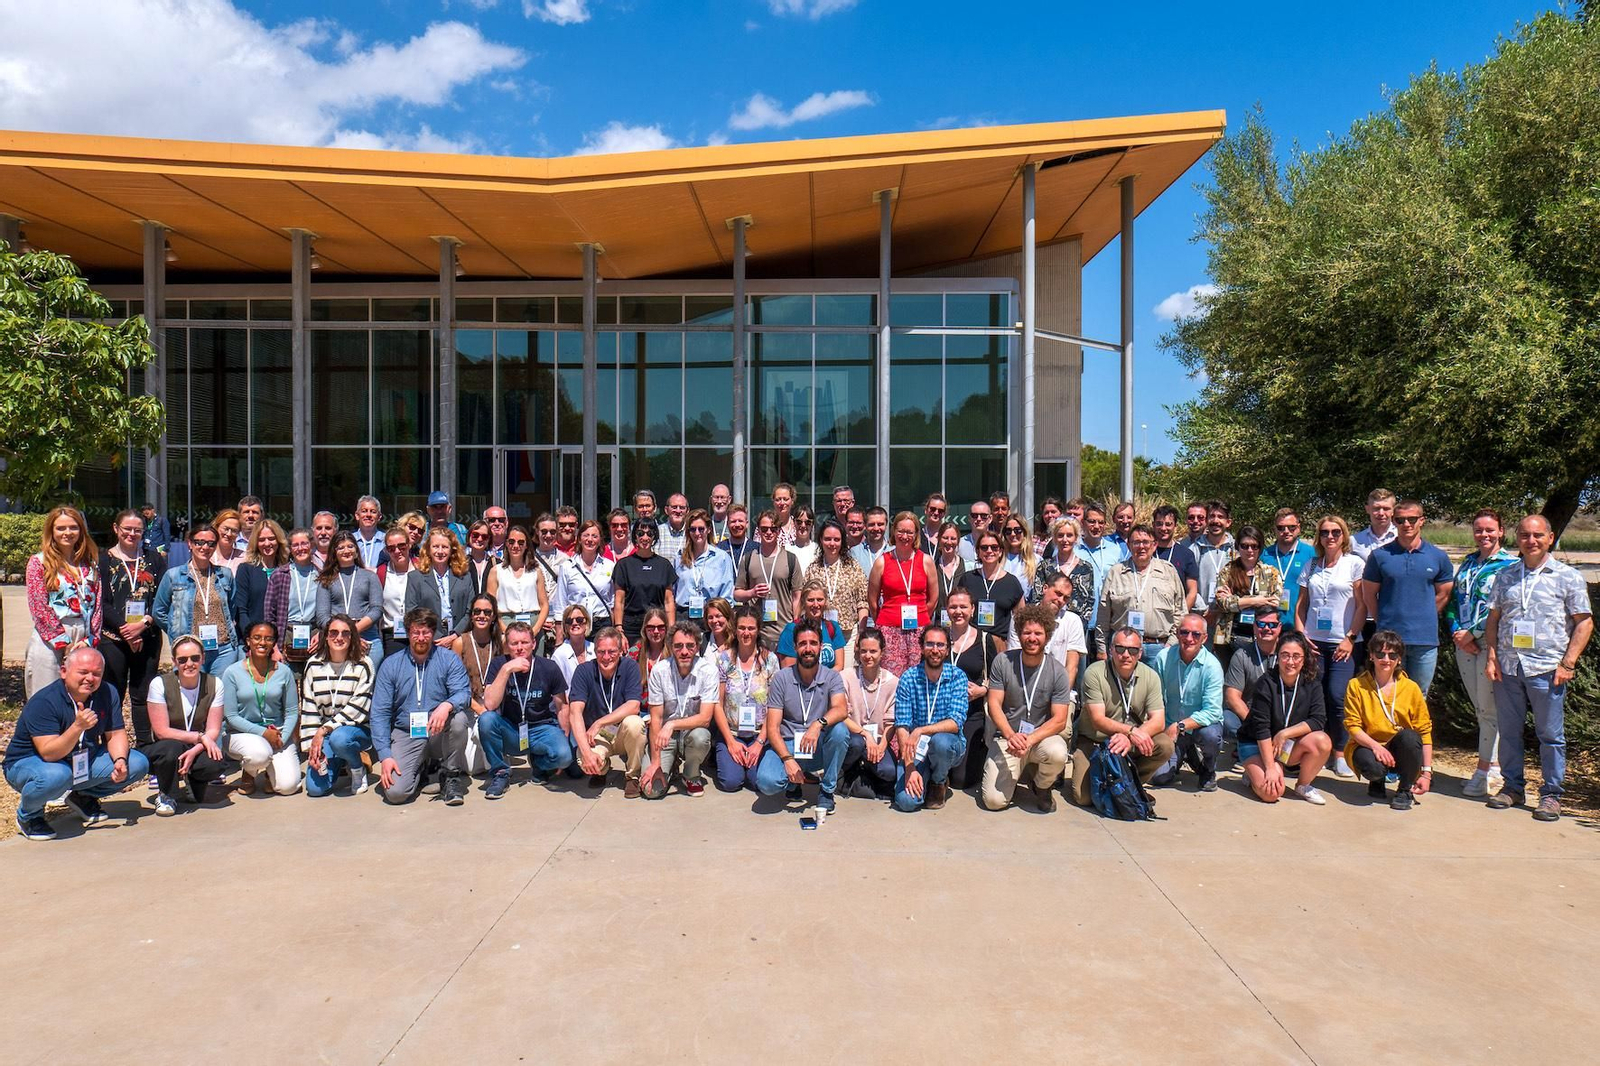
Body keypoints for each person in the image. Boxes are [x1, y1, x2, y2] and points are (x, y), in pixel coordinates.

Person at [1484, 515, 1594, 822]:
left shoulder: (1567, 577)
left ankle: (1551, 795)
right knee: (1509, 732)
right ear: (1516, 538)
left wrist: (1568, 663)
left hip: (1548, 668)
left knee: (1550, 735)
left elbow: (1584, 622)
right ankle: (1513, 787)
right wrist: (1492, 656)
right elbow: (1493, 620)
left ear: (1550, 538)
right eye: (1524, 535)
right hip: (1508, 667)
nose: (1530, 541)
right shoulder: (1505, 575)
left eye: (1537, 535)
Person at [5, 646, 149, 840]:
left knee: (137, 763)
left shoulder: (107, 692)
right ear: (64, 672)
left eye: (96, 674)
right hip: (31, 763)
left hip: (77, 759)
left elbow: (115, 733)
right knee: (58, 775)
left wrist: (120, 760)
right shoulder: (45, 701)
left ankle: (83, 796)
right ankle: (29, 816)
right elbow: (49, 753)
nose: (90, 678)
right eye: (83, 672)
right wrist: (77, 727)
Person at [1445, 509, 1518, 797]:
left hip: (1489, 644)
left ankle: (1485, 770)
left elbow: (1502, 608)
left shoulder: (1510, 565)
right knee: (1481, 709)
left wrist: (1471, 634)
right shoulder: (1468, 563)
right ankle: (1491, 768)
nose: (1484, 535)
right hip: (1463, 643)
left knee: (1489, 710)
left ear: (1501, 531)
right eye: (1479, 530)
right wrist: (1456, 632)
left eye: (1490, 530)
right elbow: (1454, 601)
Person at [370, 607, 472, 806]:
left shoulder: (448, 658)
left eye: (426, 632)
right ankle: (421, 768)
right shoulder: (391, 665)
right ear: (408, 633)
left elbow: (464, 693)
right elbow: (379, 713)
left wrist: (446, 705)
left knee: (459, 719)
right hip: (406, 732)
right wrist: (384, 755)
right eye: (416, 632)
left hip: (437, 730)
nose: (421, 637)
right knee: (396, 793)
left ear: (433, 633)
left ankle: (449, 775)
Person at [980, 604, 1072, 812]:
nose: (1032, 638)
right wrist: (1011, 735)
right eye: (1027, 632)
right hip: (1008, 738)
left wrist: (1030, 740)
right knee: (994, 802)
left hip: (1040, 738)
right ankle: (1021, 771)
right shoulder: (1003, 661)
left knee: (1058, 752)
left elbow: (1059, 719)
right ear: (1019, 634)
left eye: (1038, 633)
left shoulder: (1058, 671)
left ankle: (1041, 785)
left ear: (1047, 636)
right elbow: (994, 704)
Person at [1295, 514, 1367, 778]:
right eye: (1325, 532)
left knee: (1338, 696)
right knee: (1315, 697)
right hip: (1313, 643)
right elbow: (1301, 605)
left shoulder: (1354, 564)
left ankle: (1340, 751)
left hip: (1342, 643)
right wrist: (1302, 637)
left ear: (1344, 535)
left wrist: (1350, 637)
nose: (1330, 537)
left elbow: (1362, 605)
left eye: (1336, 532)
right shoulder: (1312, 565)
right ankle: (1318, 748)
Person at [1069, 627, 1174, 808]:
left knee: (1165, 745)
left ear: (1140, 653)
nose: (1126, 655)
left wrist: (1129, 737)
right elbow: (1098, 720)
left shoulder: (1151, 676)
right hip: (1095, 740)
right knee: (1083, 798)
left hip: (1129, 741)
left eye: (1132, 650)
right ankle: (1115, 785)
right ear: (1111, 650)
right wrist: (1130, 732)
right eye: (1120, 649)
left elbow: (1158, 720)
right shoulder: (1094, 673)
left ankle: (1131, 784)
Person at [754, 620, 850, 812]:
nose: (808, 648)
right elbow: (772, 728)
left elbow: (841, 709)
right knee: (766, 783)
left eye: (813, 643)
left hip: (817, 744)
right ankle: (792, 782)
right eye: (803, 644)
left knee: (840, 731)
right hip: (789, 743)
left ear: (821, 647)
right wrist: (787, 759)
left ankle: (827, 790)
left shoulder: (832, 676)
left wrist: (817, 725)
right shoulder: (782, 678)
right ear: (795, 647)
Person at [1359, 499, 1453, 693]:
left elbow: (1444, 593)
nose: (1406, 524)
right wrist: (1384, 622)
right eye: (1400, 520)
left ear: (1422, 521)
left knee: (1418, 696)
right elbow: (1369, 596)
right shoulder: (1379, 556)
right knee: (1386, 693)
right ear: (1394, 521)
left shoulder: (1438, 557)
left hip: (1424, 641)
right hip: (1388, 641)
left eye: (1412, 519)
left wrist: (1423, 614)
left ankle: (1412, 726)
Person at [98, 509, 166, 757]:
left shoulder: (154, 559)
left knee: (143, 694)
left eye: (137, 529)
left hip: (147, 637)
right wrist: (126, 630)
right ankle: (112, 750)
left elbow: (162, 598)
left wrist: (144, 624)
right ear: (116, 528)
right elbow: (102, 602)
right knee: (113, 693)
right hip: (113, 639)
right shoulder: (103, 559)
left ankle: (147, 749)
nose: (132, 534)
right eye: (127, 528)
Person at [479, 621, 572, 798]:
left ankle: (539, 764)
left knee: (564, 757)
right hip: (511, 729)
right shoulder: (499, 664)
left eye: (524, 642)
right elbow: (490, 704)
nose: (520, 648)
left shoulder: (549, 667)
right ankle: (500, 773)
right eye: (514, 643)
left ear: (534, 644)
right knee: (486, 720)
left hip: (541, 728)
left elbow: (562, 705)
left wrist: (564, 736)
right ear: (507, 645)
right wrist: (506, 670)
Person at [1343, 629, 1432, 810]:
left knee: (1411, 738)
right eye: (1380, 653)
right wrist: (1376, 747)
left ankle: (1405, 789)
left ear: (1399, 659)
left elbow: (1424, 730)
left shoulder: (1411, 688)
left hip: (1399, 746)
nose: (1386, 659)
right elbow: (1353, 727)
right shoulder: (1356, 685)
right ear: (1371, 657)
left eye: (1392, 655)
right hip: (1369, 744)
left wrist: (1426, 773)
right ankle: (1378, 779)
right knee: (1371, 765)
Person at [1239, 632, 1331, 804]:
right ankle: (1253, 774)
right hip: (1256, 744)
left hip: (1284, 745)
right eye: (1285, 655)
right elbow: (1261, 729)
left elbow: (1318, 720)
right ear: (1277, 657)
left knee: (1322, 741)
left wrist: (1284, 734)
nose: (1290, 661)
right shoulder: (1265, 683)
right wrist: (1269, 767)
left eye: (1296, 656)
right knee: (1271, 793)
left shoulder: (1312, 683)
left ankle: (1303, 785)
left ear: (1304, 659)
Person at [142, 635, 227, 815]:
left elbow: (213, 729)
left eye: (195, 658)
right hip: (163, 747)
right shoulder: (159, 684)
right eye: (182, 660)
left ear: (203, 658)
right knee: (171, 748)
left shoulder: (215, 684)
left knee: (215, 763)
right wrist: (199, 737)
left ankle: (193, 781)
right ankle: (166, 793)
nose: (189, 664)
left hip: (194, 745)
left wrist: (196, 749)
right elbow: (161, 731)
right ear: (174, 662)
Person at [890, 625, 970, 812]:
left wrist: (920, 730)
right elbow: (901, 724)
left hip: (949, 745)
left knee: (941, 742)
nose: (935, 650)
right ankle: (922, 776)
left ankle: (937, 781)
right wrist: (909, 767)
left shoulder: (957, 676)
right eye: (930, 644)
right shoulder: (908, 678)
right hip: (915, 749)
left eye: (940, 645)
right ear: (922, 647)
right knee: (906, 803)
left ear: (947, 649)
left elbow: (955, 722)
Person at [24, 505, 102, 698]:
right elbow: (39, 607)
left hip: (83, 637)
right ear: (51, 531)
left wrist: (89, 639)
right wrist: (63, 642)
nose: (68, 532)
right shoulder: (38, 563)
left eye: (73, 527)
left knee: (79, 698)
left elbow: (97, 605)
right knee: (46, 696)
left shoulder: (89, 564)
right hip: (50, 638)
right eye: (61, 528)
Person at [300, 616, 378, 798]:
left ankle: (357, 767)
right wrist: (313, 747)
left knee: (340, 739)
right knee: (316, 789)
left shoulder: (364, 665)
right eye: (333, 633)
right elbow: (309, 707)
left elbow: (358, 707)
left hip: (356, 729)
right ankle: (342, 759)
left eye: (345, 633)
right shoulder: (312, 665)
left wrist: (325, 730)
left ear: (352, 637)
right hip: (325, 732)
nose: (339, 637)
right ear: (325, 637)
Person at [222, 621, 302, 796]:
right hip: (240, 733)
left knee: (288, 787)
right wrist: (264, 733)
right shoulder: (232, 673)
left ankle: (269, 773)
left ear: (274, 643)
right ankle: (249, 772)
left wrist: (281, 738)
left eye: (268, 639)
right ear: (248, 641)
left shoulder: (284, 672)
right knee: (258, 754)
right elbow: (231, 716)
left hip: (278, 733)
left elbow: (291, 712)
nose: (262, 643)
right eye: (257, 638)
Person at [641, 621, 718, 799]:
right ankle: (671, 766)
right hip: (665, 738)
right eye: (678, 646)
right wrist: (656, 763)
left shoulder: (709, 671)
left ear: (698, 646)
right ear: (670, 647)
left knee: (702, 736)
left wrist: (672, 724)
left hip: (691, 733)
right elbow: (656, 718)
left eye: (690, 646)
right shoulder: (660, 671)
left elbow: (705, 718)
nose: (684, 651)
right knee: (651, 791)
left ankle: (691, 774)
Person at [566, 627, 647, 797]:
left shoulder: (630, 666)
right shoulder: (584, 671)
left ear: (620, 651)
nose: (606, 657)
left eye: (612, 651)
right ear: (595, 652)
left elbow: (634, 705)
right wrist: (587, 752)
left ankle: (632, 776)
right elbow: (575, 713)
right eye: (601, 652)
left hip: (622, 730)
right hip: (599, 737)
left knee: (635, 723)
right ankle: (601, 771)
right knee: (583, 758)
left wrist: (600, 722)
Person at [1150, 615, 1225, 791]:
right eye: (1184, 632)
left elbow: (1213, 711)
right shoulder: (1163, 658)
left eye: (1196, 634)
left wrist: (1180, 726)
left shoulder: (1212, 666)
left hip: (1199, 727)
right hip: (1169, 727)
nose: (1189, 639)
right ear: (1177, 633)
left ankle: (1208, 767)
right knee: (1158, 778)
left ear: (1205, 638)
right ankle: (1185, 752)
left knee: (1211, 736)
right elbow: (1155, 699)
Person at [152, 523, 239, 676]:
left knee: (219, 696)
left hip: (223, 650)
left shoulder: (225, 575)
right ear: (190, 544)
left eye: (211, 543)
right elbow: (159, 611)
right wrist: (176, 631)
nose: (205, 547)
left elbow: (232, 609)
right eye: (199, 542)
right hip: (190, 649)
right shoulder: (173, 575)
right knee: (190, 695)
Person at [712, 605, 779, 793]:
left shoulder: (770, 660)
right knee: (731, 783)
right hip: (732, 733)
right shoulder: (724, 659)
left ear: (758, 630)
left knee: (758, 782)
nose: (746, 633)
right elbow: (717, 703)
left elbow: (775, 706)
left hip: (760, 735)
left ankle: (752, 762)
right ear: (735, 629)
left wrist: (759, 743)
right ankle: (726, 755)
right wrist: (731, 742)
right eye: (742, 628)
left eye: (751, 628)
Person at [1096, 525, 1185, 660]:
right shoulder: (1116, 572)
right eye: (1136, 542)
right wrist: (1102, 649)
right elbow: (1104, 613)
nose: (1141, 546)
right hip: (1123, 648)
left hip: (1160, 648)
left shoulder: (1169, 571)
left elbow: (1180, 611)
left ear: (1154, 545)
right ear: (1129, 545)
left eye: (1145, 542)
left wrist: (1171, 644)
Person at [867, 512, 938, 677]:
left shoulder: (926, 561)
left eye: (909, 532)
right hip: (889, 631)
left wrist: (920, 618)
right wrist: (885, 621)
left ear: (916, 535)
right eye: (901, 531)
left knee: (918, 679)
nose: (905, 536)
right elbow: (872, 600)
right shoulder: (882, 562)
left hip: (919, 630)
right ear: (893, 532)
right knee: (892, 679)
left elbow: (933, 599)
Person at [946, 588, 1003, 790]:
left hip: (972, 713)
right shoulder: (939, 637)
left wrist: (983, 690)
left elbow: (998, 678)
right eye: (953, 607)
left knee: (961, 780)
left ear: (972, 609)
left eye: (963, 607)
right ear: (947, 609)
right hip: (942, 713)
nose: (958, 611)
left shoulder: (985, 639)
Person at [1210, 526, 1284, 668]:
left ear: (1260, 548)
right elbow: (1222, 603)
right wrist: (1256, 600)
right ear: (1238, 546)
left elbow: (1274, 603)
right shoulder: (1228, 571)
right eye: (1245, 546)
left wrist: (1236, 600)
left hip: (1260, 637)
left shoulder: (1271, 573)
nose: (1250, 550)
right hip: (1230, 637)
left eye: (1254, 546)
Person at [839, 628, 899, 799]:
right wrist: (865, 734)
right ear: (857, 651)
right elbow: (842, 715)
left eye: (873, 651)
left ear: (882, 652)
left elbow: (891, 723)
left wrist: (882, 746)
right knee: (857, 743)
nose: (868, 656)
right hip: (852, 737)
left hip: (877, 741)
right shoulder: (846, 676)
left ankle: (864, 772)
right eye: (863, 650)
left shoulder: (893, 682)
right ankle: (844, 773)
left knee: (889, 772)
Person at [1221, 605, 1281, 771]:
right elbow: (1232, 697)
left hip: (1278, 716)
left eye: (1272, 625)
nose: (1266, 629)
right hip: (1249, 716)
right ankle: (1248, 749)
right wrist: (1256, 725)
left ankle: (1256, 750)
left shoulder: (1287, 654)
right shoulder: (1241, 655)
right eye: (1261, 624)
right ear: (1254, 627)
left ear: (1280, 627)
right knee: (1226, 721)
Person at [316, 531, 384, 668]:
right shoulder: (325, 580)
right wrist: (344, 633)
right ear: (334, 552)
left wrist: (353, 631)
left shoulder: (370, 576)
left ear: (356, 550)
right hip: (337, 639)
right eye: (341, 548)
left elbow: (377, 610)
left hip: (368, 638)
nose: (346, 551)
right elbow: (322, 617)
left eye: (350, 546)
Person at [736, 510, 799, 649]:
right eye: (764, 529)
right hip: (757, 634)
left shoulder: (790, 559)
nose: (769, 532)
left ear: (779, 531)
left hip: (784, 632)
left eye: (773, 529)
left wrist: (795, 626)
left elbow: (797, 597)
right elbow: (737, 594)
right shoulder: (748, 558)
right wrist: (751, 593)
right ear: (758, 530)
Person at [404, 529, 474, 651]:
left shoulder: (464, 576)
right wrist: (435, 636)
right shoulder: (415, 578)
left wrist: (455, 635)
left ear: (452, 550)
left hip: (459, 640)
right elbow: (412, 612)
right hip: (429, 641)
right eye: (436, 546)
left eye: (445, 547)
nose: (440, 551)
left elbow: (471, 610)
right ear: (428, 549)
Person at [263, 527, 322, 672]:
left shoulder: (322, 575)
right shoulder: (279, 575)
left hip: (314, 635)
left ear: (312, 545)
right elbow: (269, 615)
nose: (300, 548)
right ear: (290, 549)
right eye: (295, 545)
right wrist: (274, 648)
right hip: (286, 635)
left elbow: (329, 611)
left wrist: (322, 633)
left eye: (304, 543)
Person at [612, 519, 678, 644]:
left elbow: (668, 601)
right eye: (640, 533)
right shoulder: (623, 565)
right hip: (631, 627)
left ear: (654, 537)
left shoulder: (664, 565)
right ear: (635, 536)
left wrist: (671, 629)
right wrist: (619, 628)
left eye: (650, 533)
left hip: (657, 626)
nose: (645, 537)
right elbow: (619, 600)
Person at [958, 529, 1026, 647]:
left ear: (1000, 551)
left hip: (999, 643)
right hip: (971, 642)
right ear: (978, 551)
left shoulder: (1011, 582)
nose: (989, 551)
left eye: (994, 547)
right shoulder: (967, 579)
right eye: (984, 547)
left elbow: (1022, 617)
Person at [675, 509, 735, 635]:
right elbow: (674, 590)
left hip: (711, 617)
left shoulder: (721, 558)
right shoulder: (679, 557)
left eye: (701, 529)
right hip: (683, 616)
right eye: (693, 529)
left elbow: (727, 594)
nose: (697, 533)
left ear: (708, 529)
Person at [1031, 517, 1096, 630]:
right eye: (1060, 535)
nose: (1065, 540)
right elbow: (1037, 598)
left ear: (1076, 538)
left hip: (1075, 628)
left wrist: (1078, 626)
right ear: (1054, 538)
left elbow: (1089, 602)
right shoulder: (1044, 566)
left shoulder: (1086, 568)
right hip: (1047, 626)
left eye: (1069, 535)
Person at [810, 519, 869, 638]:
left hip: (848, 634)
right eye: (827, 539)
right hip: (820, 633)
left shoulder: (853, 567)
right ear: (821, 540)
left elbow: (862, 602)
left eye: (836, 539)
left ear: (842, 541)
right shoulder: (813, 569)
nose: (832, 544)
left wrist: (861, 632)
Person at [487, 523, 550, 634]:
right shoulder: (496, 571)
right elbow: (491, 605)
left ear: (526, 545)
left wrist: (535, 629)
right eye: (511, 542)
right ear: (506, 544)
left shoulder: (536, 571)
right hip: (506, 623)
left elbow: (544, 604)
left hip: (533, 622)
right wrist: (504, 629)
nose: (516, 546)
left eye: (521, 543)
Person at [232, 518, 286, 638]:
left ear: (279, 540)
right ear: (256, 543)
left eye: (271, 538)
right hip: (253, 639)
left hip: (282, 638)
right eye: (261, 540)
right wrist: (251, 637)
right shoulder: (246, 569)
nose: (267, 543)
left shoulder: (287, 569)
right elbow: (241, 610)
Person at [458, 594, 505, 729]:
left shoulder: (502, 643)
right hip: (469, 707)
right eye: (477, 611)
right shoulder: (460, 643)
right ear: (471, 616)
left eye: (487, 612)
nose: (482, 615)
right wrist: (480, 709)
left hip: (497, 707)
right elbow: (456, 684)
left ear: (494, 617)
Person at [1262, 508, 1314, 621]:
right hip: (1269, 625)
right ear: (1274, 529)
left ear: (1299, 528)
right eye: (1280, 527)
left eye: (1291, 527)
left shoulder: (1312, 554)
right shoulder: (1264, 555)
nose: (1286, 531)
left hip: (1300, 625)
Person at [376, 526, 416, 658]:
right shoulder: (381, 572)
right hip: (392, 634)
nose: (397, 551)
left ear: (409, 545)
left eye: (402, 546)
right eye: (391, 548)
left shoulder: (421, 568)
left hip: (419, 632)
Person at [1150, 504, 1199, 610]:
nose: (1163, 528)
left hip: (1176, 613)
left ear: (1175, 526)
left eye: (1168, 524)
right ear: (1153, 525)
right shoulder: (1146, 551)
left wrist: (1181, 616)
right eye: (1159, 524)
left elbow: (1192, 591)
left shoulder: (1186, 554)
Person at [1194, 501, 1238, 608]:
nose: (1215, 521)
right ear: (1206, 520)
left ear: (1228, 522)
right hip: (1202, 613)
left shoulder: (1237, 549)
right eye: (1212, 516)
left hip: (1229, 611)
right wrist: (1202, 608)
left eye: (1220, 517)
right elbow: (1189, 583)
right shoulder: (1195, 549)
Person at [931, 521, 967, 627]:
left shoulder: (968, 567)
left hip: (962, 627)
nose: (949, 542)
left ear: (958, 541)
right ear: (938, 539)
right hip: (937, 628)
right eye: (945, 538)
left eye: (953, 538)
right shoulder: (931, 567)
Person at [551, 605, 594, 686]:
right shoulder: (559, 655)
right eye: (569, 621)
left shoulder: (595, 649)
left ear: (587, 623)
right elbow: (557, 688)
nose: (574, 623)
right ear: (565, 627)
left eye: (579, 620)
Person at [1350, 488, 1398, 560]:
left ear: (1393, 510)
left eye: (1386, 509)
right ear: (1367, 509)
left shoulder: (1402, 537)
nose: (1381, 513)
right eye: (1376, 508)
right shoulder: (1354, 541)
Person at [998, 515, 1036, 586]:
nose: (1013, 534)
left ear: (1024, 532)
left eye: (1017, 530)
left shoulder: (1036, 561)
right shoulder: (998, 559)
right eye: (1008, 531)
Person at [851, 505, 889, 572]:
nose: (876, 528)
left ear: (886, 525)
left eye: (880, 524)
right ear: (865, 526)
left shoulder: (894, 552)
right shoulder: (854, 553)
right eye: (871, 524)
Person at [352, 495, 386, 568]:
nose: (368, 515)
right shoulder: (350, 539)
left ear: (379, 516)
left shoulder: (386, 540)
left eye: (373, 512)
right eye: (364, 511)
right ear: (357, 515)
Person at [463, 520, 496, 596]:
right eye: (475, 535)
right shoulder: (461, 562)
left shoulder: (496, 564)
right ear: (469, 536)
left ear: (489, 540)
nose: (480, 539)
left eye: (484, 537)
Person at [956, 498, 993, 565]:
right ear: (969, 518)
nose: (979, 519)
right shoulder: (959, 544)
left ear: (990, 519)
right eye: (975, 516)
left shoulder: (996, 544)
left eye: (983, 516)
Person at [719, 504, 755, 569]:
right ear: (727, 524)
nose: (737, 524)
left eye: (740, 521)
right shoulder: (720, 549)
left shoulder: (756, 549)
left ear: (747, 524)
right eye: (733, 521)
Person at [656, 493, 690, 559]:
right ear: (666, 510)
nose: (678, 511)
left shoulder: (693, 532)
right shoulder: (657, 532)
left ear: (687, 511)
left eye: (682, 508)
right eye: (674, 507)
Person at [210, 509, 244, 573]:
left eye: (234, 531)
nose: (229, 534)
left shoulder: (244, 559)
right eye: (226, 529)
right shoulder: (207, 555)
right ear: (216, 527)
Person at [787, 505, 819, 572]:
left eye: (808, 522)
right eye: (799, 522)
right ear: (793, 522)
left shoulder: (817, 550)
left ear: (812, 524)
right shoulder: (787, 549)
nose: (803, 525)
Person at [770, 482, 798, 546]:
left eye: (785, 499)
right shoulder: (766, 526)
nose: (782, 503)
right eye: (778, 499)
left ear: (792, 501)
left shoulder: (798, 525)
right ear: (773, 502)